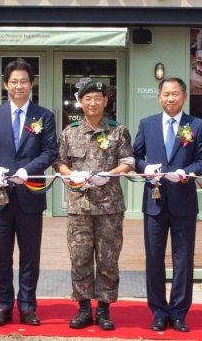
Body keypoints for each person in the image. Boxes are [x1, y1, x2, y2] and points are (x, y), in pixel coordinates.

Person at [0, 58, 58, 327]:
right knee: (2, 255)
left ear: (32, 84)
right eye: (14, 81)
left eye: (24, 81)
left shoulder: (44, 116)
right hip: (0, 195)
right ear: (5, 84)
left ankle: (27, 305)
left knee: (29, 255)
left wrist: (28, 170)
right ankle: (3, 305)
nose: (18, 86)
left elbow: (50, 151)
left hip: (29, 195)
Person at [54, 79, 134, 331]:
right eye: (87, 98)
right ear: (80, 101)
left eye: (97, 98)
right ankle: (83, 308)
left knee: (108, 259)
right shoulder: (70, 132)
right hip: (79, 206)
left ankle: (104, 309)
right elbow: (59, 162)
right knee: (80, 258)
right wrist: (71, 175)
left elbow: (129, 161)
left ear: (105, 101)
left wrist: (110, 174)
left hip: (109, 207)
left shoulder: (117, 130)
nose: (92, 102)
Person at [133, 77, 202, 332]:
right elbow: (135, 157)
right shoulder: (147, 124)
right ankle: (157, 311)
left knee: (183, 259)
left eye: (175, 94)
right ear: (158, 97)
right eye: (165, 94)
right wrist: (146, 168)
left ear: (184, 96)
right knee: (154, 258)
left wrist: (186, 172)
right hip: (154, 202)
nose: (170, 98)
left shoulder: (196, 125)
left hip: (183, 201)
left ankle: (178, 312)